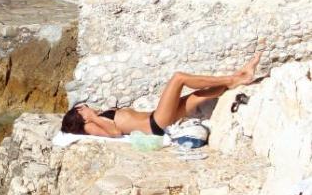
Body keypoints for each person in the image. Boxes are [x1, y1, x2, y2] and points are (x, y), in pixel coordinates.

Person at [60, 50, 263, 141]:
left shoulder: (95, 117)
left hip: (157, 118)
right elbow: (114, 133)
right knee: (178, 78)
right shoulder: (90, 126)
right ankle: (235, 77)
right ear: (80, 114)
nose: (86, 106)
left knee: (199, 95)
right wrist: (92, 117)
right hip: (155, 123)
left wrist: (96, 114)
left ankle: (237, 78)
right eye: (83, 108)